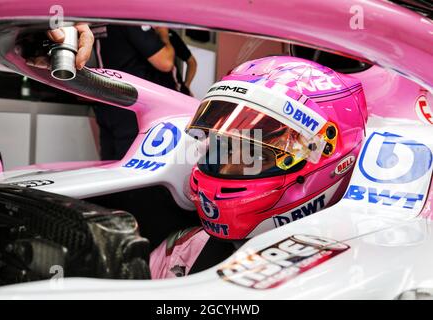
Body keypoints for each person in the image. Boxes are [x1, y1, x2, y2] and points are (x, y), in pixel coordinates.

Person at [150, 55, 368, 279]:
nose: (227, 166)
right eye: (224, 147)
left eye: (256, 155)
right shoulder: (182, 251)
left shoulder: (349, 278)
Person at [93, 25, 176, 160]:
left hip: (105, 99)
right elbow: (166, 62)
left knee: (110, 166)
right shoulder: (129, 20)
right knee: (131, 168)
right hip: (130, 105)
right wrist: (163, 34)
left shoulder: (98, 17)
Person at [168, 29, 197, 96]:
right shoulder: (143, 33)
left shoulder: (170, 35)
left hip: (175, 90)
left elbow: (192, 62)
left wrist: (186, 86)